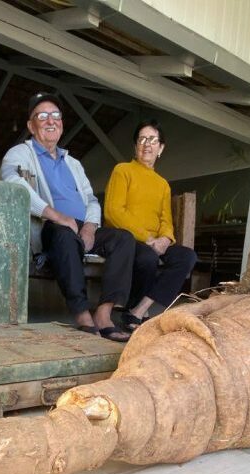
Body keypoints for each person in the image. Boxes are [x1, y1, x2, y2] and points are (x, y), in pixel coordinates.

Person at [0, 93, 134, 342]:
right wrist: (56, 215)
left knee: (124, 239)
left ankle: (104, 314)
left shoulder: (73, 162)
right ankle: (83, 315)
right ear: (31, 125)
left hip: (81, 226)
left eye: (56, 116)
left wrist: (91, 229)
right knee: (63, 234)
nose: (51, 121)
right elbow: (12, 183)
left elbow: (92, 200)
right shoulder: (19, 153)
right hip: (49, 225)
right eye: (42, 115)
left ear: (61, 123)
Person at [103, 119, 197, 330]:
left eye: (153, 140)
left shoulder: (162, 184)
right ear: (135, 145)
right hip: (128, 239)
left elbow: (166, 219)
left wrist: (165, 239)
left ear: (161, 147)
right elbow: (114, 211)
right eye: (142, 139)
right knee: (147, 257)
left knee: (187, 257)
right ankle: (133, 310)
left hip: (155, 242)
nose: (147, 144)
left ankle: (139, 309)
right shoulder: (123, 170)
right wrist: (148, 239)